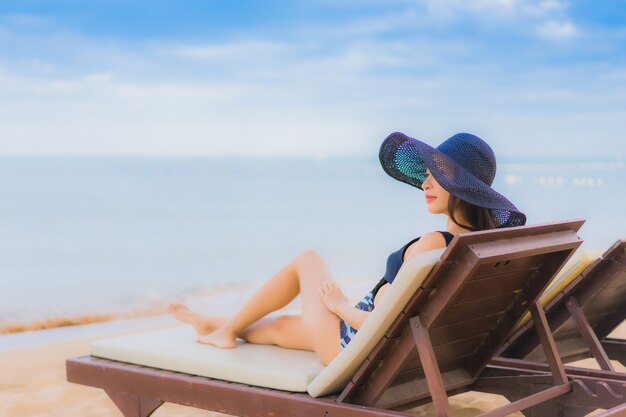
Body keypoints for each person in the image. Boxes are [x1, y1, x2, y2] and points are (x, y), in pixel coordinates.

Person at [168, 131, 526, 365]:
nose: (425, 181)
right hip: (391, 349)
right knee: (279, 329)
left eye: (438, 174)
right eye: (429, 172)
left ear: (461, 187)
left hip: (354, 345)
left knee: (308, 260)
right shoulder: (475, 247)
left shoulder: (435, 244)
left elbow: (386, 323)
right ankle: (213, 325)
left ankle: (225, 331)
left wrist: (338, 306)